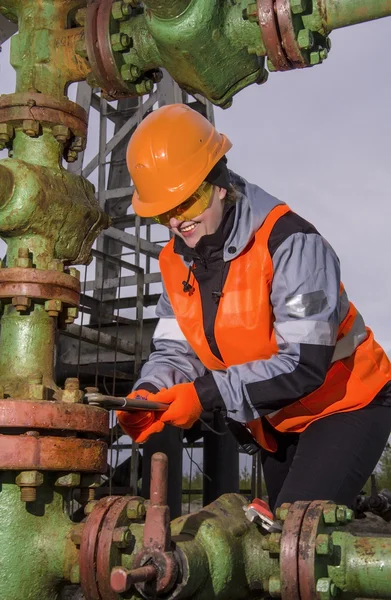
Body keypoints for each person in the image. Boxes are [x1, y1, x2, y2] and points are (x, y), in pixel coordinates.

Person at [117, 103, 391, 512]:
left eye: (188, 203)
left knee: (295, 539)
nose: (177, 222)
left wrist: (204, 394)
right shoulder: (175, 264)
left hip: (346, 404)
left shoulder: (291, 244)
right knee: (282, 549)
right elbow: (176, 350)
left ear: (220, 183)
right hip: (275, 421)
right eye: (163, 212)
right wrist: (151, 393)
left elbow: (303, 363)